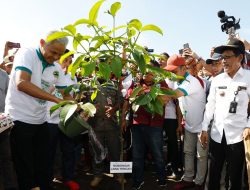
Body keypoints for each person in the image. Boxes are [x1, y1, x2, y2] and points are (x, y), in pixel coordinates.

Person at [5, 30, 71, 190]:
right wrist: (55, 99)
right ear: (42, 43)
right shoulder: (27, 54)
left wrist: (78, 106)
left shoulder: (56, 67)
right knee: (25, 165)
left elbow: (64, 94)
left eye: (59, 54)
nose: (56, 57)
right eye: (53, 52)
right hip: (19, 118)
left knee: (43, 163)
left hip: (41, 120)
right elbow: (22, 83)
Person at [200, 39, 250, 190]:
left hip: (237, 136)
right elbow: (210, 105)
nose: (223, 61)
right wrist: (204, 128)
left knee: (235, 179)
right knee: (213, 176)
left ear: (240, 57)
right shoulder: (217, 79)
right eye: (222, 58)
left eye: (227, 57)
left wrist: (249, 126)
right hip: (216, 134)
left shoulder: (248, 78)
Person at [121, 60, 168, 190]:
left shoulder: (161, 84)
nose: (147, 73)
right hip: (137, 124)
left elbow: (166, 100)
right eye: (145, 70)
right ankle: (138, 180)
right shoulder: (136, 84)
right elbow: (128, 100)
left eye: (150, 71)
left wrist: (150, 93)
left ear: (156, 72)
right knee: (137, 155)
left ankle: (162, 179)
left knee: (158, 154)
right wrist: (123, 119)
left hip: (155, 125)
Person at [163, 55, 207, 190]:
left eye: (173, 71)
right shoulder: (178, 81)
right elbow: (180, 104)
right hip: (189, 124)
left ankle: (199, 182)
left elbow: (172, 95)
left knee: (201, 156)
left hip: (201, 126)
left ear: (183, 68)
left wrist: (149, 94)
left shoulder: (190, 82)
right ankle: (188, 178)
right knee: (188, 152)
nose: (171, 74)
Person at [47, 50, 80, 190]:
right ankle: (47, 179)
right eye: (65, 60)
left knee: (68, 150)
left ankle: (68, 178)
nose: (67, 64)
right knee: (50, 151)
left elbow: (75, 96)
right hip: (50, 119)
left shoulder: (73, 78)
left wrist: (78, 105)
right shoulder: (50, 73)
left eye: (70, 61)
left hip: (67, 118)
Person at [0, 68, 17, 190]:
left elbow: (8, 98)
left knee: (6, 157)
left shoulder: (3, 74)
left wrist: (8, 118)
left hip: (2, 124)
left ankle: (10, 186)